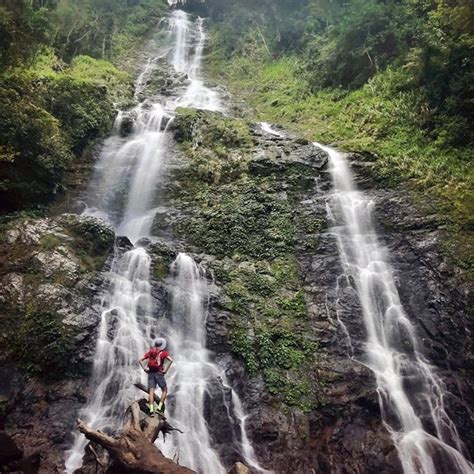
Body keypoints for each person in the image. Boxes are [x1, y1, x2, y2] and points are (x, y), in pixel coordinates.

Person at [139, 338, 173, 416]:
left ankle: (151, 410)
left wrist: (144, 369)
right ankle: (159, 408)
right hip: (159, 373)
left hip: (151, 374)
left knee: (151, 392)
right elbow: (171, 360)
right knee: (164, 390)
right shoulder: (164, 353)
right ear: (162, 345)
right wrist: (166, 370)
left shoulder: (150, 352)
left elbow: (140, 360)